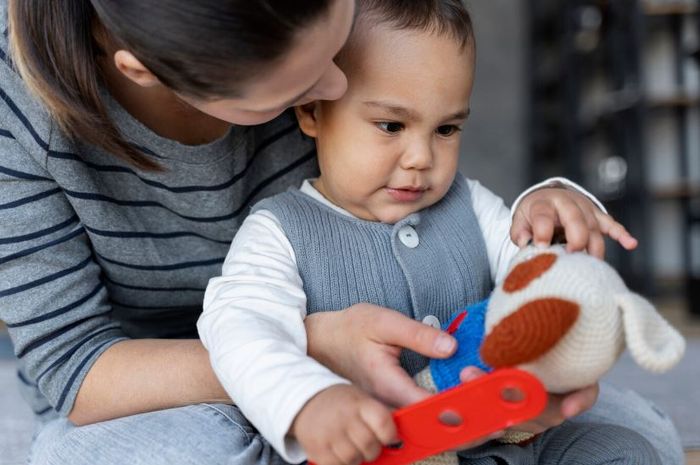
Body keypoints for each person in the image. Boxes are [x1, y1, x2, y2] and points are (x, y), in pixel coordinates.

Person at [0, 0, 680, 464]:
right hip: (212, 389)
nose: (334, 81)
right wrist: (307, 379)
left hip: (448, 403)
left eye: (446, 128)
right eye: (294, 89)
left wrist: (552, 209)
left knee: (634, 432)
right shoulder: (279, 229)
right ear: (145, 70)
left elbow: (525, 258)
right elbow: (82, 363)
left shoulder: (437, 180)